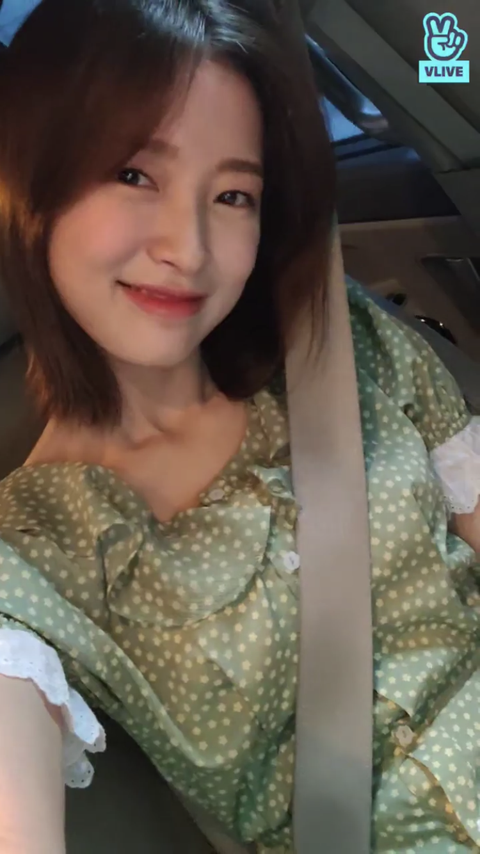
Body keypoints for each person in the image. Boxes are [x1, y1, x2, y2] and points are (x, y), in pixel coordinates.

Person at [0, 0, 479, 852]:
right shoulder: (34, 557)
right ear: (28, 182)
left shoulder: (338, 346)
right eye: (134, 175)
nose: (188, 248)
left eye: (232, 195)